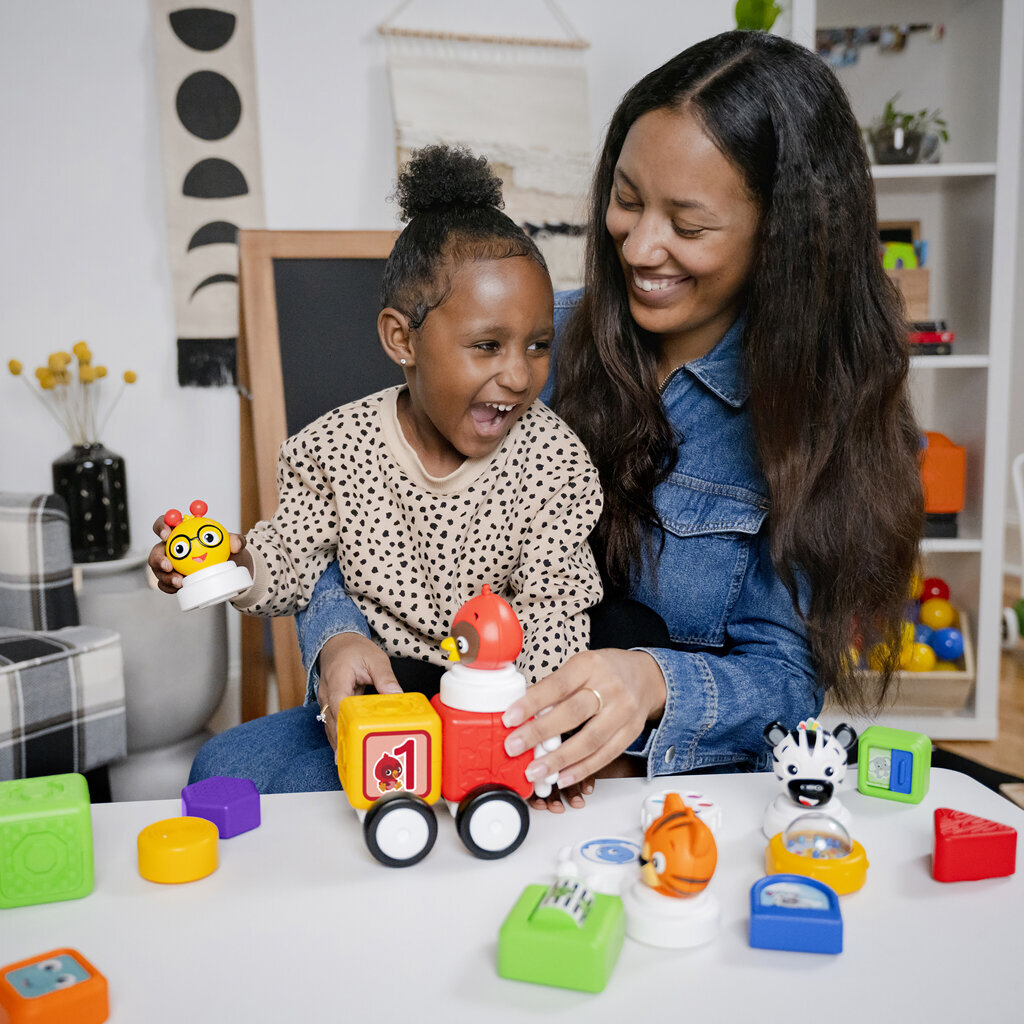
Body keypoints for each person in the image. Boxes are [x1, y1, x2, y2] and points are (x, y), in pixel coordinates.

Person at [195, 30, 924, 805]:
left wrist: (649, 683)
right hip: (457, 707)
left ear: (783, 236)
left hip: (657, 765)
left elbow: (785, 681)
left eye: (688, 224)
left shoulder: (815, 412)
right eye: (628, 199)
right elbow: (357, 520)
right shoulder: (529, 345)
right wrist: (336, 638)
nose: (640, 246)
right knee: (232, 774)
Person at [152, 145, 608, 787]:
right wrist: (233, 563)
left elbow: (555, 610)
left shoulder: (554, 463)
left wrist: (535, 733)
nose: (519, 374)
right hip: (381, 696)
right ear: (402, 339)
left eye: (537, 346)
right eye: (486, 346)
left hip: (493, 709)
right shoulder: (331, 449)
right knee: (223, 767)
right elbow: (293, 562)